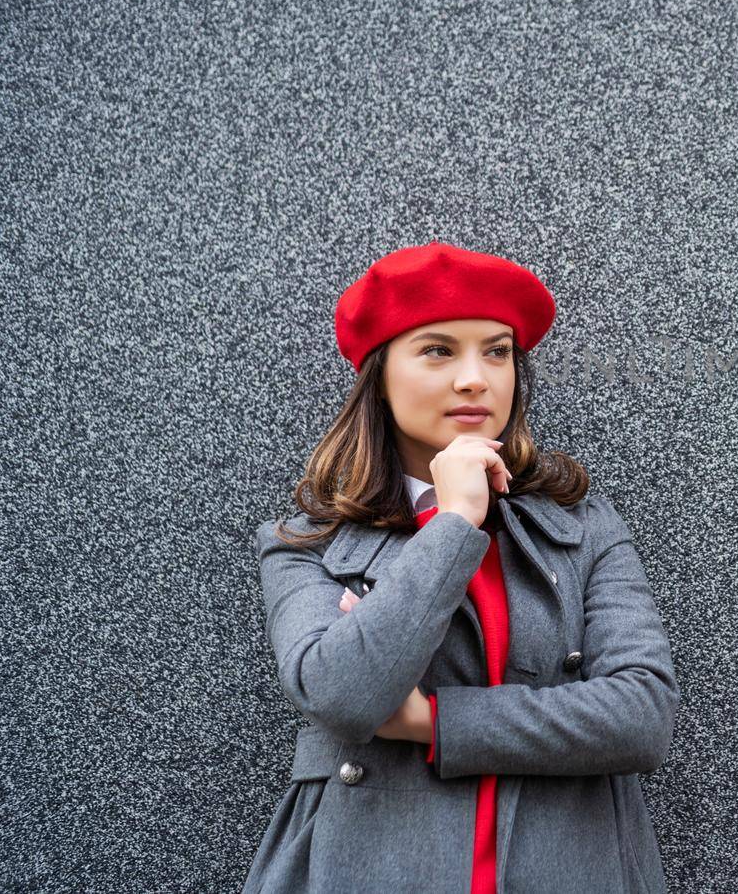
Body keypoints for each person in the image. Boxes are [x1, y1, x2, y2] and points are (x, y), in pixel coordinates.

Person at [242, 241, 680, 893]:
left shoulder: (582, 526)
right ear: (379, 376)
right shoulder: (308, 542)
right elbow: (340, 696)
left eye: (496, 351)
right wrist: (452, 523)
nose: (476, 377)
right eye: (438, 349)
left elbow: (643, 716)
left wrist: (432, 720)